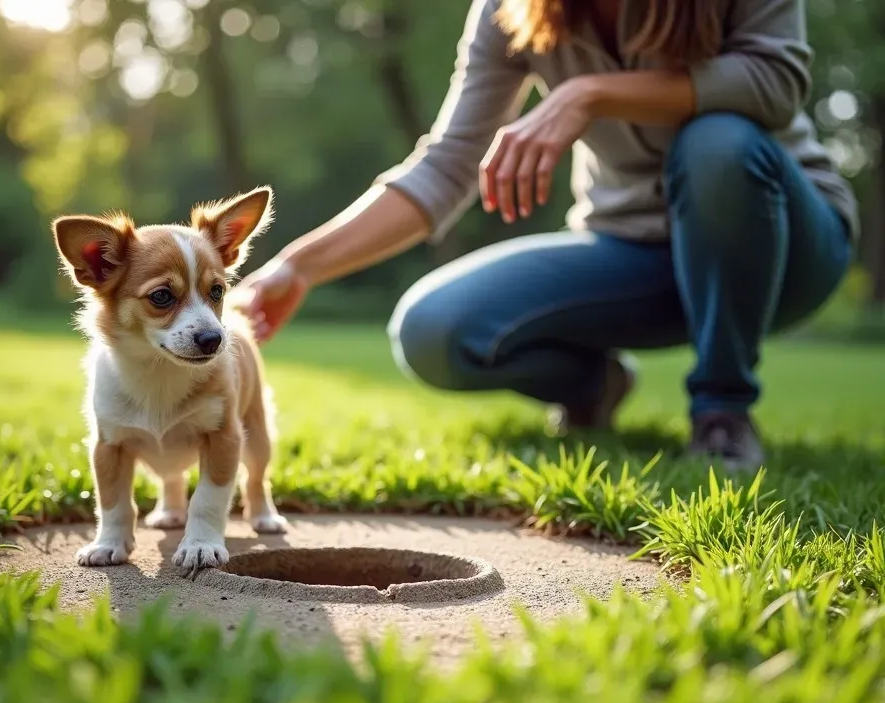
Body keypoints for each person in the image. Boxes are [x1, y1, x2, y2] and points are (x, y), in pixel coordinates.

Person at [233, 0, 857, 471]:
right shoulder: (513, 7)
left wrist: (589, 95)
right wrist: (299, 265)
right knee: (433, 330)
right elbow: (449, 164)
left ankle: (722, 412)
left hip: (782, 247)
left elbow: (775, 83)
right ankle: (595, 387)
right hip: (634, 256)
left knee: (717, 142)